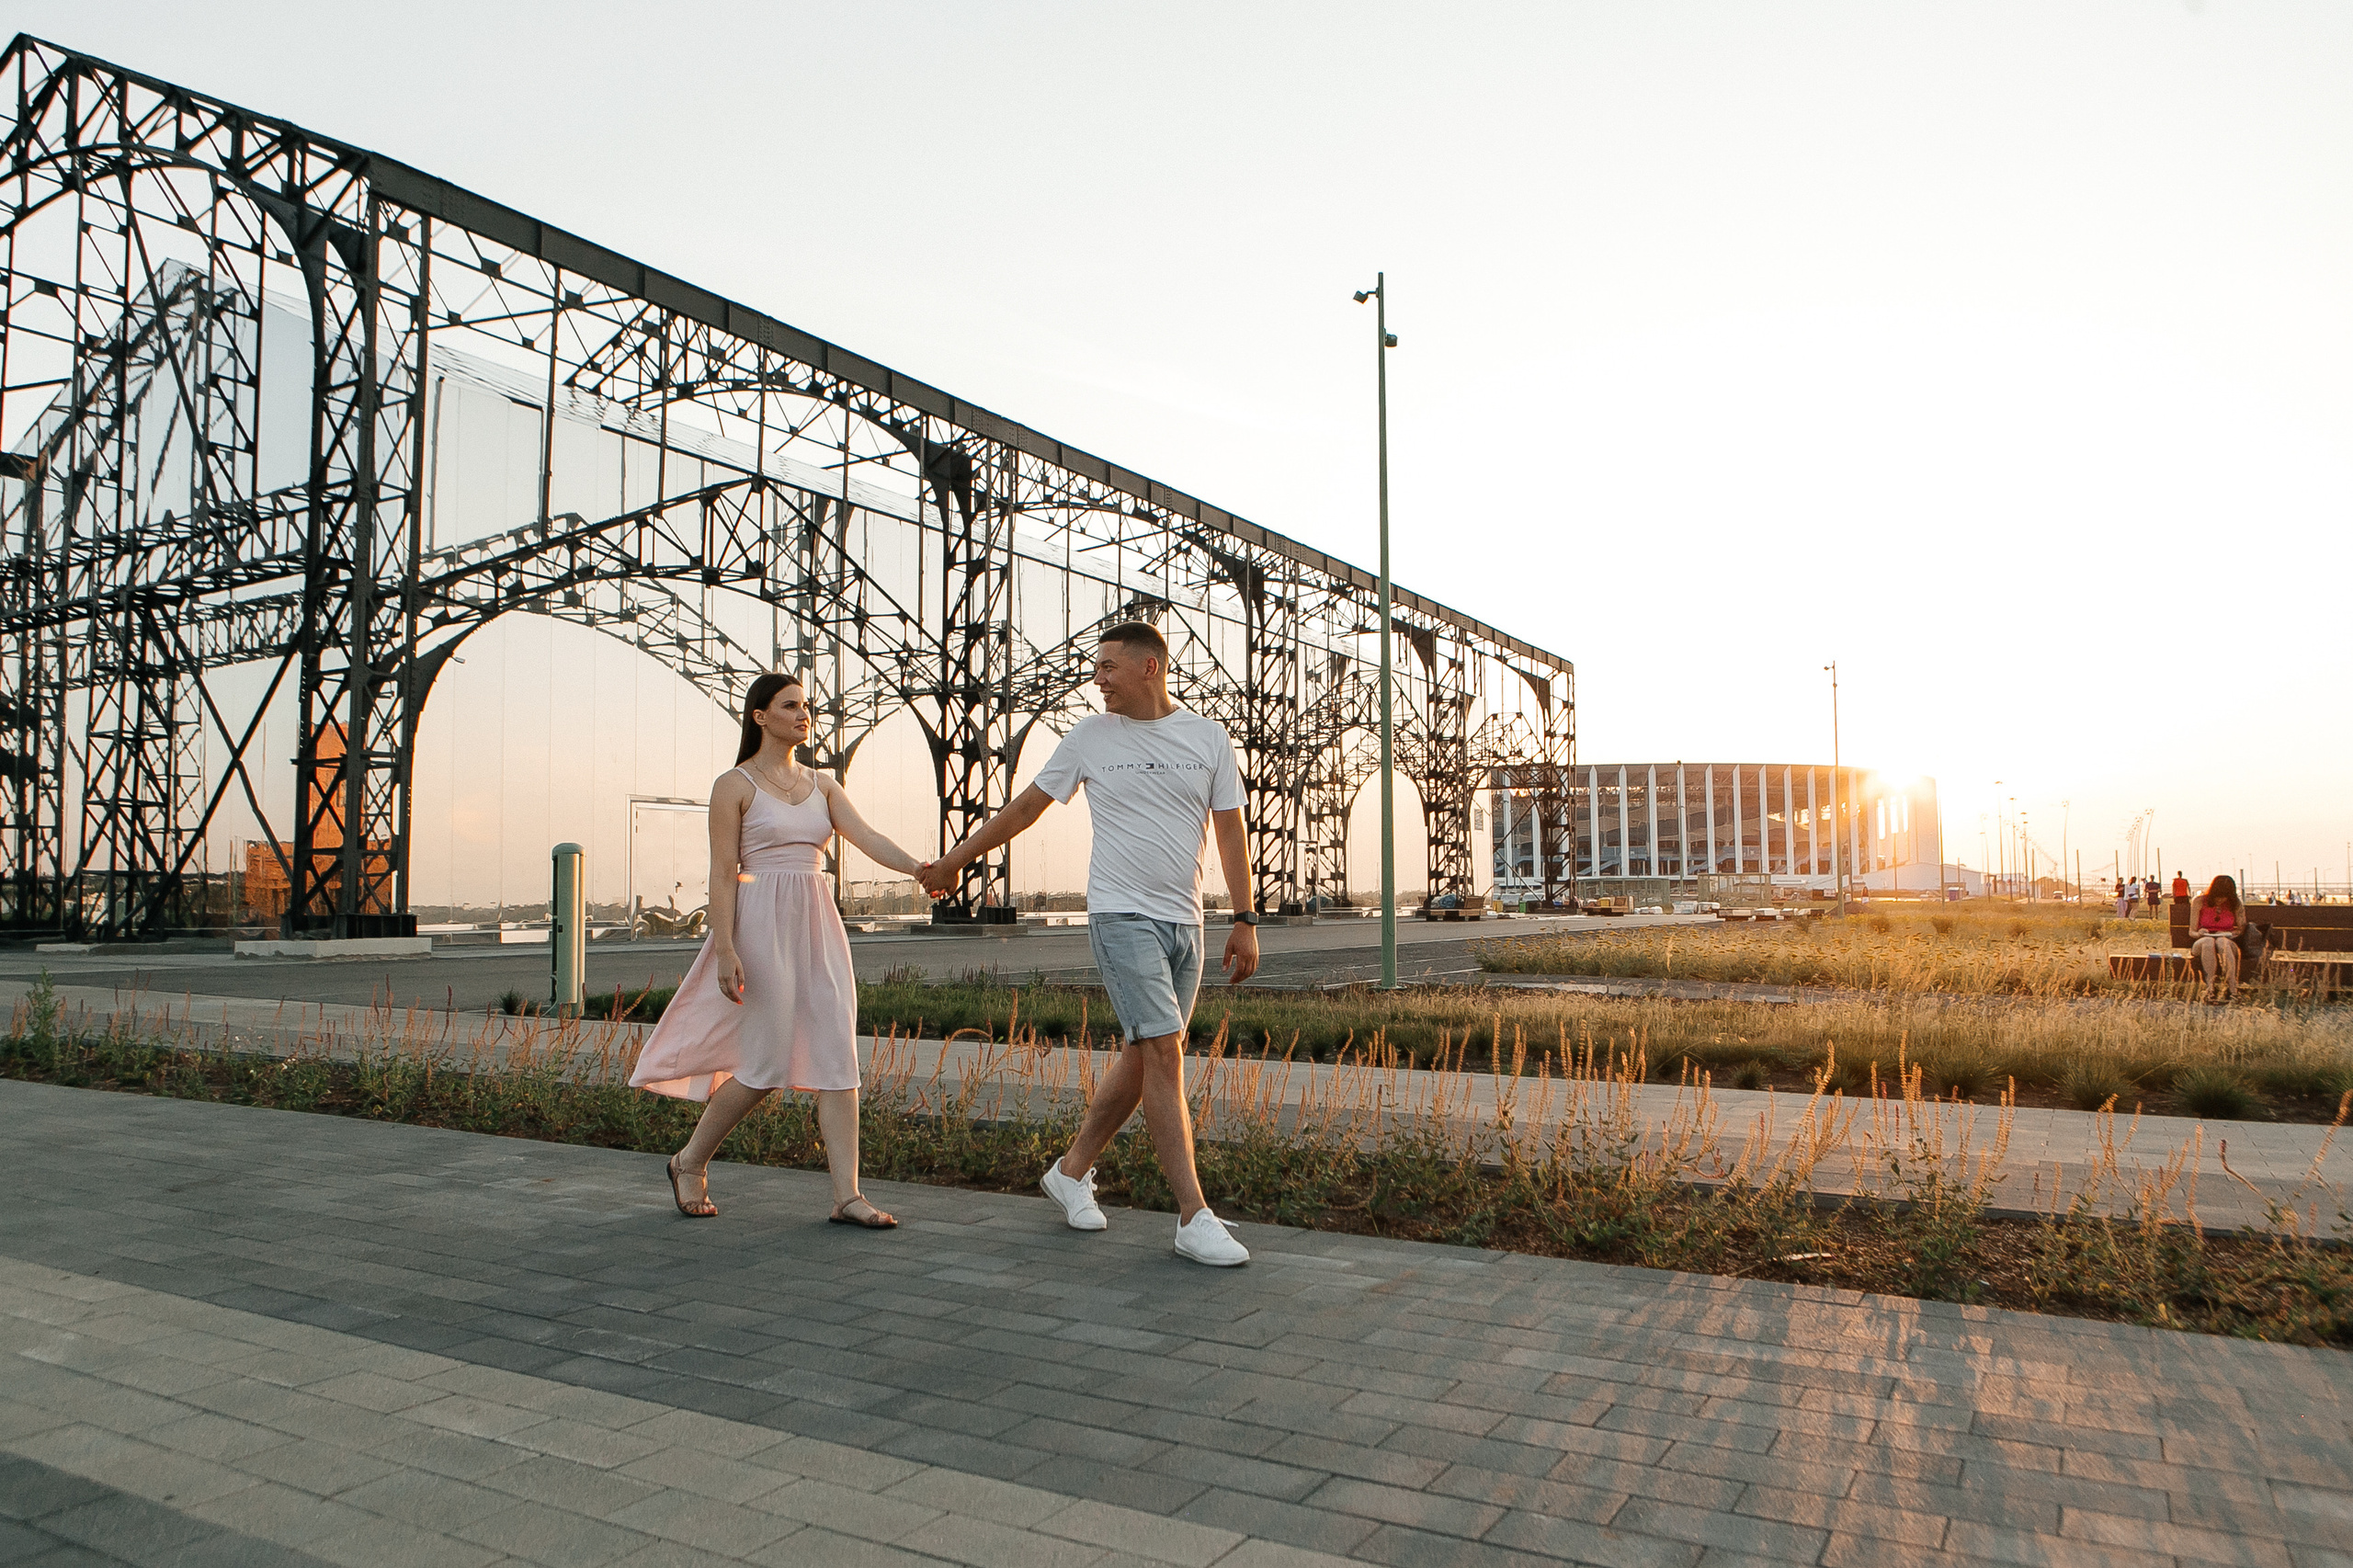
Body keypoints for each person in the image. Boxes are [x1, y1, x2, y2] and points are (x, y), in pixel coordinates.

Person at [920, 621, 1259, 1267]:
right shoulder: (1090, 737)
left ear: (1150, 668)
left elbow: (1230, 832)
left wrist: (1244, 918)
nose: (1097, 679)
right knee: (1162, 1052)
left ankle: (1071, 1171)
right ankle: (1194, 1216)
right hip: (1120, 915)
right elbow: (1025, 808)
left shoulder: (1207, 737)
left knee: (1145, 1057)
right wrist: (955, 859)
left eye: (1107, 667)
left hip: (1186, 924)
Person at [631, 672, 929, 1228]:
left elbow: (867, 838)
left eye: (806, 706)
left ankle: (848, 1196)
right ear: (760, 717)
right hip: (759, 924)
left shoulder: (824, 785)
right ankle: (689, 1161)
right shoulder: (735, 784)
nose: (803, 713)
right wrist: (724, 949)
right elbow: (723, 873)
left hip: (817, 923)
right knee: (765, 1062)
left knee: (838, 1054)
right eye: (789, 706)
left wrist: (919, 868)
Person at [2188, 874, 2245, 1003]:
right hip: (2202, 941)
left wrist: (2231, 933)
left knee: (2222, 942)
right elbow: (2191, 931)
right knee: (2209, 942)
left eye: (2224, 897)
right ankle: (2210, 991)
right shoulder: (2199, 901)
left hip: (2227, 940)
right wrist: (2200, 933)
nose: (2221, 900)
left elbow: (2241, 929)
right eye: (2218, 897)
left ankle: (2233, 991)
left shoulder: (2235, 904)